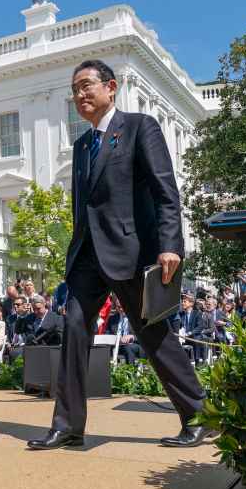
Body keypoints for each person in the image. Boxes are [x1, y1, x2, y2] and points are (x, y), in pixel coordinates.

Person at [28, 59, 207, 451]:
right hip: (87, 258)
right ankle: (69, 425)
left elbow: (166, 191)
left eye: (86, 85)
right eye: (74, 89)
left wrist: (170, 245)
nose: (80, 95)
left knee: (152, 334)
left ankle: (198, 415)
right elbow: (83, 207)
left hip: (131, 252)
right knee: (73, 329)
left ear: (111, 87)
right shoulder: (81, 146)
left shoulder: (140, 127)